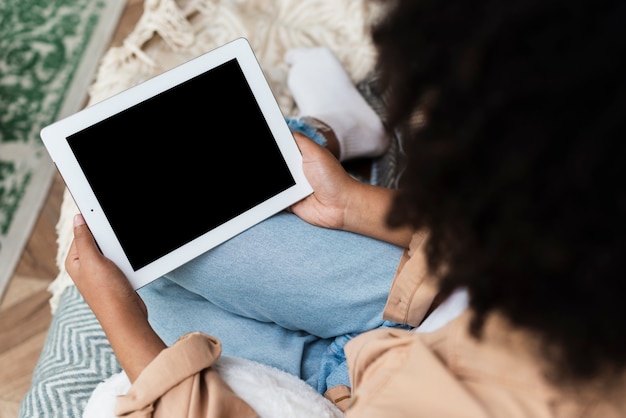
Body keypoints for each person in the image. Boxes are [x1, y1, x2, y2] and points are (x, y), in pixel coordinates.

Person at [66, 0, 626, 416]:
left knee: (141, 270)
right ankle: (326, 133)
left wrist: (119, 321)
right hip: (417, 297)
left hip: (343, 391)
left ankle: (324, 129)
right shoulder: (570, 224)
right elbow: (505, 220)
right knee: (149, 235)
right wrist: (352, 206)